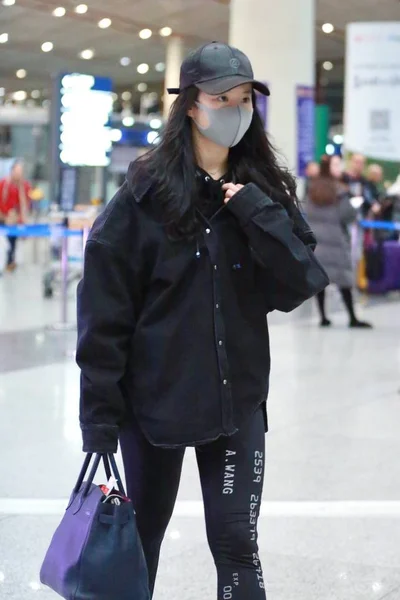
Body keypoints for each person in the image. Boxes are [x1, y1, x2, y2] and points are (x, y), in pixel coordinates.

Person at [76, 41, 329, 600]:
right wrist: (98, 418)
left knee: (238, 543)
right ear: (191, 104)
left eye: (244, 99)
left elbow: (302, 282)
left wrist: (255, 212)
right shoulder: (141, 198)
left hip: (236, 400)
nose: (235, 110)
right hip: (153, 409)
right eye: (222, 98)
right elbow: (104, 315)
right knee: (139, 543)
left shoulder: (262, 190)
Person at [307, 154, 372, 329]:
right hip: (336, 241)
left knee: (320, 280)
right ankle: (352, 317)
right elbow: (348, 215)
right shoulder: (339, 190)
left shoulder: (312, 188)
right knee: (344, 280)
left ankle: (323, 317)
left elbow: (304, 210)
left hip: (318, 242)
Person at [0, 160, 30, 272]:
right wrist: (6, 215)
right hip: (3, 219)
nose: (18, 173)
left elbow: (25, 205)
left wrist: (18, 217)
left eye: (20, 171)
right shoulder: (3, 184)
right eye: (17, 171)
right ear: (12, 171)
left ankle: (11, 262)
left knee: (14, 243)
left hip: (16, 221)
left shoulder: (25, 186)